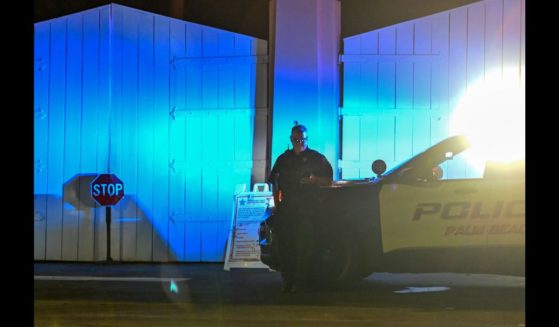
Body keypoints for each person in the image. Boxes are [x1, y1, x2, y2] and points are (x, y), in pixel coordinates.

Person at [267, 124, 333, 293]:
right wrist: (276, 204)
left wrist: (314, 180)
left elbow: (329, 180)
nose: (299, 142)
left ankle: (301, 281)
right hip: (287, 208)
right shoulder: (284, 159)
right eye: (296, 139)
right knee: (286, 247)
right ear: (291, 139)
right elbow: (274, 181)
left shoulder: (316, 158)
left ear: (307, 139)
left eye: (302, 139)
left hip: (308, 209)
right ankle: (288, 280)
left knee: (305, 246)